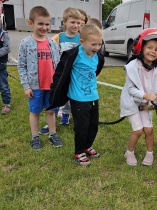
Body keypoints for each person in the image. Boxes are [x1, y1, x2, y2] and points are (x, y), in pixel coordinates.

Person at [47, 24, 104, 167]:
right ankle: (79, 152)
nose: (97, 47)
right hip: (78, 99)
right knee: (81, 127)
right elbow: (60, 73)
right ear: (82, 42)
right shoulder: (73, 55)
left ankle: (87, 146)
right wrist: (55, 90)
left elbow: (95, 71)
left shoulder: (98, 57)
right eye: (93, 44)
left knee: (93, 125)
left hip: (93, 97)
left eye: (99, 44)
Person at [120, 28, 157, 166]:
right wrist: (145, 95)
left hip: (146, 104)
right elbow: (130, 89)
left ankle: (150, 153)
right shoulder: (133, 66)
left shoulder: (156, 70)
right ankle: (129, 153)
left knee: (149, 130)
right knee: (138, 130)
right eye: (149, 47)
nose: (153, 51)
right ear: (140, 47)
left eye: (156, 49)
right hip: (132, 102)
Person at [17, 6, 62, 149]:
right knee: (35, 112)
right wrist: (26, 86)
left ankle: (52, 134)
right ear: (31, 23)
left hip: (51, 85)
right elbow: (21, 66)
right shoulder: (25, 43)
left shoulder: (53, 43)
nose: (44, 27)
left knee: (50, 111)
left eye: (47, 24)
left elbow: (58, 64)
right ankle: (35, 137)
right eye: (40, 24)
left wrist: (59, 82)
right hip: (35, 86)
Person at [39, 7, 82, 135]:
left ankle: (69, 115)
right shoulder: (57, 38)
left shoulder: (82, 38)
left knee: (74, 97)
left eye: (78, 22)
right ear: (65, 22)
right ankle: (51, 120)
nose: (75, 25)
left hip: (76, 74)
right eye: (72, 22)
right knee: (57, 95)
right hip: (61, 74)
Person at [0, 24, 11, 115]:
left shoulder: (3, 34)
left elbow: (7, 48)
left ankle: (6, 103)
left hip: (1, 65)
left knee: (3, 86)